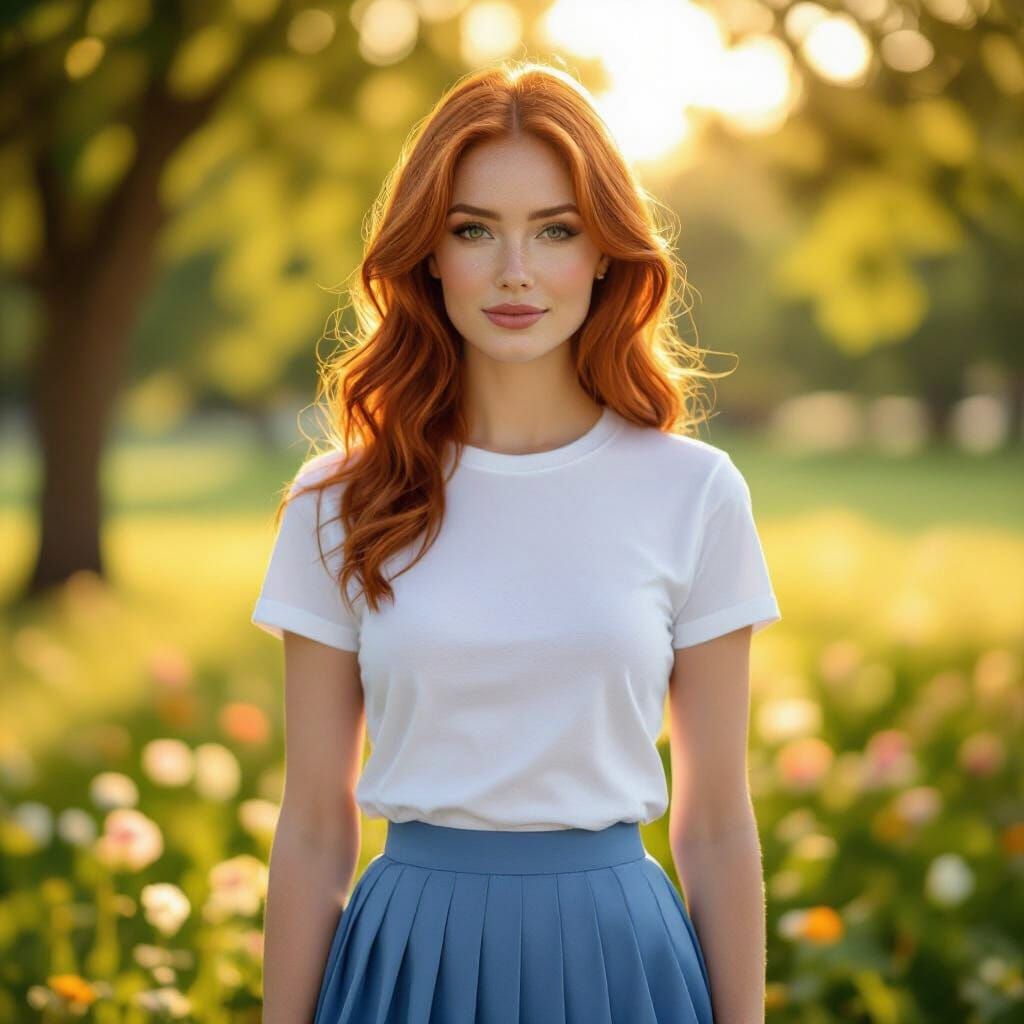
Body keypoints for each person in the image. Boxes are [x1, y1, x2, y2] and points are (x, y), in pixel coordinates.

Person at [251, 60, 781, 1024]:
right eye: (474, 230)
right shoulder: (338, 501)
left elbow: (713, 826)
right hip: (408, 960)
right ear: (428, 256)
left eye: (555, 229)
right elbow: (315, 828)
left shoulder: (694, 492)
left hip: (622, 961)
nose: (515, 272)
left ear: (607, 253)